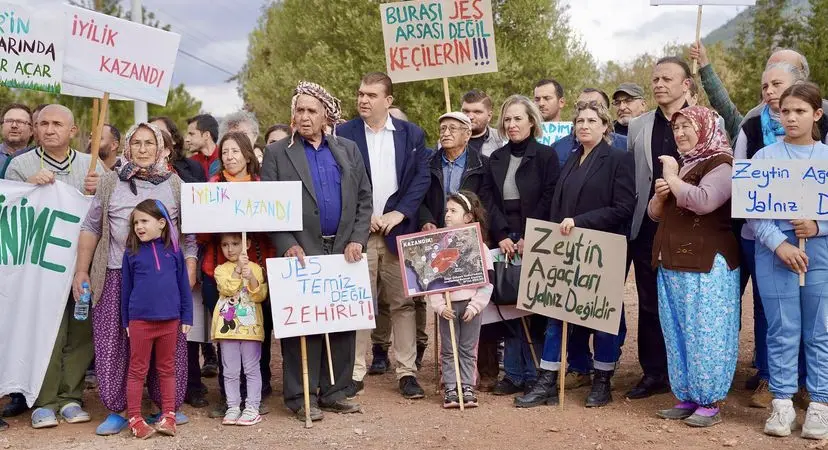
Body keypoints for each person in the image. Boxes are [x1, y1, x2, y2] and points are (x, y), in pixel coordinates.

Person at [73, 122, 198, 435]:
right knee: (114, 343)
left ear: (160, 148)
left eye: (149, 143)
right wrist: (82, 270)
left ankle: (164, 406)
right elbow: (91, 227)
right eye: (137, 143)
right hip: (116, 276)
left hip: (163, 280)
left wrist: (191, 265)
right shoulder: (109, 182)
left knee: (168, 343)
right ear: (127, 147)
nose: (143, 149)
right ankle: (118, 410)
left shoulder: (174, 184)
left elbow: (189, 233)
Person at [262, 81, 371, 420]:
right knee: (302, 326)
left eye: (311, 111)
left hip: (342, 249)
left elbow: (365, 199)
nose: (304, 117)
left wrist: (357, 238)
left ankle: (336, 391)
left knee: (340, 321)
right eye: (299, 110)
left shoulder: (348, 149)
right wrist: (288, 244)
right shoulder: (278, 152)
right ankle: (300, 396)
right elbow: (269, 207)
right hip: (300, 249)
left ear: (326, 115)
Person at [515, 100, 635, 409]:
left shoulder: (619, 159)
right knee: (557, 314)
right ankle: (547, 380)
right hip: (566, 251)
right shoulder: (569, 159)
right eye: (580, 121)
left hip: (601, 251)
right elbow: (558, 204)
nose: (584, 126)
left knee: (603, 317)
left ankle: (602, 380)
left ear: (605, 126)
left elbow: (623, 208)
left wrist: (580, 222)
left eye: (591, 121)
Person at [4, 104, 105, 429]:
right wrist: (29, 187)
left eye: (57, 123)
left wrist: (97, 190)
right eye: (43, 123)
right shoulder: (21, 166)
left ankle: (71, 398)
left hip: (82, 263)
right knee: (44, 331)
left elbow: (106, 211)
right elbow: (10, 212)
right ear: (35, 129)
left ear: (73, 131)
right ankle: (43, 401)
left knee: (80, 332)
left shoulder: (93, 167)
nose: (49, 129)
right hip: (41, 269)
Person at [337, 72, 430, 399]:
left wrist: (399, 213)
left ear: (388, 101)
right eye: (361, 93)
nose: (363, 99)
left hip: (398, 232)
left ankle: (407, 372)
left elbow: (421, 179)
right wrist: (366, 217)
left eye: (371, 95)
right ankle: (354, 372)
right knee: (359, 302)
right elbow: (340, 183)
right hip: (358, 233)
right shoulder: (342, 133)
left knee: (403, 303)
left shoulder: (412, 134)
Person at [647, 106, 740, 427]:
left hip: (708, 265)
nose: (680, 133)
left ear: (707, 128)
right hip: (672, 259)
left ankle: (709, 400)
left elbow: (704, 201)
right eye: (677, 128)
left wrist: (671, 178)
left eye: (688, 126)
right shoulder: (687, 165)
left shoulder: (723, 164)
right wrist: (661, 197)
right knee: (677, 329)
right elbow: (655, 214)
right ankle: (686, 394)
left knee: (706, 330)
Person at [750, 83, 828, 439]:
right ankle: (781, 404)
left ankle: (819, 406)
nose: (791, 118)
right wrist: (778, 243)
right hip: (775, 256)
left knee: (819, 331)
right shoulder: (765, 158)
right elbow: (755, 211)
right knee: (782, 329)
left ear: (817, 114)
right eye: (785, 111)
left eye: (800, 111)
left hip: (820, 257)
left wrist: (818, 224)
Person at [732, 62, 810, 408]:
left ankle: (807, 382)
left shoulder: (819, 128)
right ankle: (768, 377)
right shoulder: (750, 127)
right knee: (768, 310)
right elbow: (742, 181)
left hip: (812, 237)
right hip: (760, 237)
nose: (768, 92)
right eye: (764, 86)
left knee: (810, 312)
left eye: (776, 84)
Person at [481, 95, 560, 396]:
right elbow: (488, 198)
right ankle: (513, 374)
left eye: (518, 118)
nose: (512, 124)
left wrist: (532, 235)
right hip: (504, 237)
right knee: (509, 303)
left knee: (534, 306)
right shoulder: (496, 158)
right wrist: (501, 233)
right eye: (508, 119)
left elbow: (550, 196)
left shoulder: (546, 156)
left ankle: (537, 374)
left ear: (531, 121)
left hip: (535, 237)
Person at [626, 56, 692, 400]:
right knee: (649, 302)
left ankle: (690, 373)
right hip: (647, 226)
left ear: (686, 85)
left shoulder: (708, 121)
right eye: (655, 79)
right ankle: (653, 373)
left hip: (692, 228)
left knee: (687, 302)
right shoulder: (637, 127)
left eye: (667, 78)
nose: (658, 84)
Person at [200, 132, 276, 419]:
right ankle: (228, 396)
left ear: (247, 155)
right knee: (227, 332)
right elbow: (202, 232)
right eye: (225, 152)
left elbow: (272, 228)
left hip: (257, 269)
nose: (230, 156)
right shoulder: (212, 187)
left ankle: (259, 391)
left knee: (259, 333)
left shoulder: (261, 188)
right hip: (217, 271)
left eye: (235, 151)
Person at [121, 199, 193, 439]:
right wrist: (126, 322)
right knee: (137, 370)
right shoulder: (131, 254)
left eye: (144, 221)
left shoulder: (174, 251)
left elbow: (183, 286)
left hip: (170, 321)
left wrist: (187, 315)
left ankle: (169, 415)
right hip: (140, 321)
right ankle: (134, 417)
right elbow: (126, 290)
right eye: (135, 223)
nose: (139, 226)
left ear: (161, 223)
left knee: (166, 369)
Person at [429, 191, 493, 408]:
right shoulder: (439, 246)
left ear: (468, 217)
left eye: (453, 211)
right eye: (446, 210)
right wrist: (438, 306)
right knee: (448, 348)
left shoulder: (481, 248)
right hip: (447, 306)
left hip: (471, 306)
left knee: (468, 347)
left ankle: (466, 385)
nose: (447, 215)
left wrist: (475, 306)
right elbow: (432, 280)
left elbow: (487, 282)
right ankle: (450, 386)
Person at [690, 42, 828, 142]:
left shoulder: (825, 112)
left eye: (783, 68)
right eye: (770, 68)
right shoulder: (754, 118)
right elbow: (729, 114)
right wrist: (705, 65)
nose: (774, 73)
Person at [211, 233, 268, 427]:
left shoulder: (256, 268)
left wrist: (250, 275)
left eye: (235, 244)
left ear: (247, 244)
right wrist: (236, 271)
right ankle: (233, 406)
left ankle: (252, 406)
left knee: (252, 368)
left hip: (250, 327)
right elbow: (227, 289)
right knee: (230, 370)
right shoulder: (220, 269)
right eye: (225, 245)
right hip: (228, 329)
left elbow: (259, 295)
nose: (230, 249)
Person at [552, 89, 628, 167]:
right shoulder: (557, 148)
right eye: (580, 106)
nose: (586, 109)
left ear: (605, 114)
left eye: (594, 106)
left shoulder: (625, 145)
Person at [151, 116, 205, 184]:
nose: (155, 137)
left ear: (174, 139)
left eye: (160, 132)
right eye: (151, 133)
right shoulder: (139, 169)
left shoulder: (194, 168)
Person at [461, 89, 506, 157]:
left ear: (489, 116)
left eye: (477, 112)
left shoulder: (501, 140)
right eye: (466, 111)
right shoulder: (449, 139)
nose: (470, 117)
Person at [0, 103, 34, 174]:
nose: (14, 125)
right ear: (1, 127)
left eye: (20, 122)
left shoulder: (39, 159)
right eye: (9, 121)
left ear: (31, 131)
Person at [185, 114, 220, 179]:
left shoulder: (226, 159)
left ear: (206, 135)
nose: (187, 139)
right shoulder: (189, 164)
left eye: (192, 134)